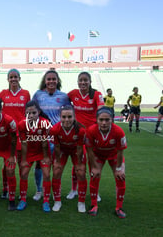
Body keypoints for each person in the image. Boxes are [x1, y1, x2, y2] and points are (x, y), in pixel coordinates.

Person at [32, 70, 70, 201]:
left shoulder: (64, 97)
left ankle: (54, 190)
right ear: (45, 81)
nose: (51, 81)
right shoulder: (38, 95)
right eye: (49, 79)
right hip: (41, 135)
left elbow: (69, 115)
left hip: (57, 137)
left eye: (54, 79)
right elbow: (32, 112)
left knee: (56, 165)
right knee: (39, 164)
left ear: (58, 81)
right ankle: (39, 190)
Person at [67, 71, 104, 200]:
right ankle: (74, 189)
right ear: (77, 82)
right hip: (78, 134)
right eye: (80, 80)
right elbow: (62, 102)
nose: (83, 82)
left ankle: (95, 192)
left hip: (93, 135)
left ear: (90, 82)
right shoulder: (73, 94)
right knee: (78, 162)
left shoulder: (97, 94)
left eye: (85, 80)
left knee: (93, 163)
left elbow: (101, 109)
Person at [86, 107, 127, 218]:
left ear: (112, 120)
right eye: (101, 120)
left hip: (114, 155)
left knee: (120, 177)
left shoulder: (118, 131)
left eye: (107, 120)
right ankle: (94, 205)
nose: (104, 123)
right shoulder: (91, 130)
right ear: (97, 120)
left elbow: (120, 152)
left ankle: (119, 207)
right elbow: (89, 150)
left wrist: (119, 168)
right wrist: (94, 166)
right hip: (97, 155)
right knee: (94, 176)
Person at [0, 69, 31, 200]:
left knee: (22, 164)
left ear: (19, 78)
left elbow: (30, 112)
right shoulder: (3, 94)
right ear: (8, 79)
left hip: (22, 134)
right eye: (11, 77)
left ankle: (22, 193)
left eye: (15, 77)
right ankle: (6, 189)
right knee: (7, 163)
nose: (13, 79)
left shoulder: (26, 94)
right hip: (7, 135)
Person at [50, 105, 87, 213]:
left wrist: (79, 164)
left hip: (76, 150)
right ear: (60, 117)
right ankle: (57, 201)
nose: (67, 120)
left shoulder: (80, 130)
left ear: (74, 117)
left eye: (69, 117)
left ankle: (81, 202)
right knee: (56, 171)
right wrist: (57, 161)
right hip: (62, 150)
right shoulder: (55, 129)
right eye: (64, 117)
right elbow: (56, 147)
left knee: (80, 172)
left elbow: (80, 148)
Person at [17, 101, 52, 212]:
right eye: (28, 113)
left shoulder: (45, 123)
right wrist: (23, 159)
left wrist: (46, 157)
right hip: (29, 153)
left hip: (42, 152)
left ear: (39, 112)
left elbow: (44, 142)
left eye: (34, 113)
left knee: (46, 175)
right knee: (23, 173)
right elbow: (23, 143)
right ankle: (23, 199)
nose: (31, 115)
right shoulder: (22, 124)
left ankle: (46, 201)